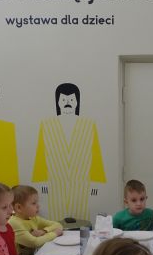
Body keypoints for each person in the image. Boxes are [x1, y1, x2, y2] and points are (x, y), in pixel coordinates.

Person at [32, 82, 106, 220]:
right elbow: (40, 154)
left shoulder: (88, 125)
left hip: (81, 178)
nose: (67, 103)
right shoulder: (47, 125)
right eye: (64, 100)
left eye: (71, 99)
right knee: (56, 216)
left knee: (80, 214)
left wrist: (96, 182)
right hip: (55, 178)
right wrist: (41, 181)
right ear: (58, 102)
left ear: (77, 102)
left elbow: (96, 154)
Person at [8, 184, 64, 255]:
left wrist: (44, 231)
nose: (38, 206)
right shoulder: (13, 223)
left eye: (37, 202)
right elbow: (35, 242)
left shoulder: (33, 218)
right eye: (33, 203)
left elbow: (58, 225)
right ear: (19, 207)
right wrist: (55, 233)